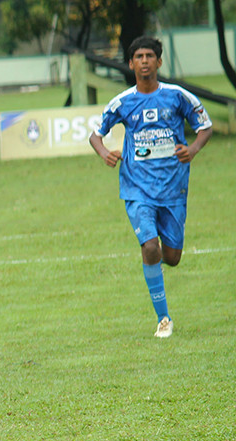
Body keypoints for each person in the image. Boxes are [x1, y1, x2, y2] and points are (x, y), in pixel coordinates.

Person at [89, 35, 213, 339]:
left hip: (173, 188)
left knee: (172, 257)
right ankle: (164, 319)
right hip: (137, 188)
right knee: (150, 246)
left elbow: (204, 127)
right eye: (139, 56)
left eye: (149, 56)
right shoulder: (123, 101)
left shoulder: (177, 96)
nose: (144, 61)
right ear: (131, 64)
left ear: (158, 62)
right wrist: (105, 153)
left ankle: (160, 263)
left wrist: (193, 150)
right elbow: (95, 134)